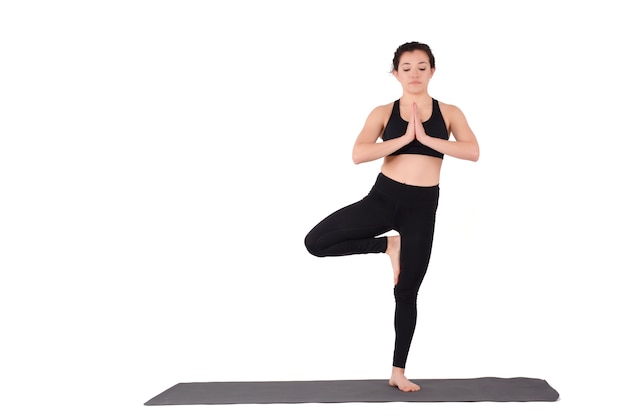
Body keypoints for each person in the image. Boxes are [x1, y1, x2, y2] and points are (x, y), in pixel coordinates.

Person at [304, 41, 479, 392]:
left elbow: (472, 151)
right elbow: (359, 153)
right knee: (316, 242)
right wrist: (404, 139)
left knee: (406, 291)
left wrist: (427, 137)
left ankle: (398, 372)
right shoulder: (383, 112)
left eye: (421, 66)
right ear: (395, 72)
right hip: (384, 198)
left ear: (432, 70)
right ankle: (388, 245)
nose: (414, 73)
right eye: (407, 67)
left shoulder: (451, 112)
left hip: (422, 207)